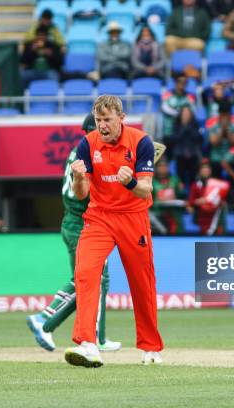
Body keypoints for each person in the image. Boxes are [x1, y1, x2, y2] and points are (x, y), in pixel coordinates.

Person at [64, 95, 163, 367]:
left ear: (121, 118)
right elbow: (80, 193)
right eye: (98, 120)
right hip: (99, 216)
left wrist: (130, 181)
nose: (102, 126)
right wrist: (79, 176)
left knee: (142, 283)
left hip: (133, 217)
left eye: (107, 120)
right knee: (85, 273)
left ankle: (151, 347)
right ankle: (87, 343)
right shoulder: (87, 144)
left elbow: (146, 191)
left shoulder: (140, 141)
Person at [26, 113, 121, 354]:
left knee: (97, 281)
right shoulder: (91, 153)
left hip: (76, 222)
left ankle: (98, 336)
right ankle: (44, 319)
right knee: (88, 280)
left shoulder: (80, 151)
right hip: (83, 223)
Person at [188, 159, 230, 235]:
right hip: (202, 216)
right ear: (199, 171)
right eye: (203, 169)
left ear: (210, 171)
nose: (205, 171)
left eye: (207, 169)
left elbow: (223, 200)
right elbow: (191, 201)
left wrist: (219, 202)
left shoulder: (218, 184)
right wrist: (200, 201)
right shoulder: (195, 185)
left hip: (216, 215)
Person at [206, 102, 234, 177]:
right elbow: (214, 142)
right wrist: (221, 131)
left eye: (226, 115)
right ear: (219, 114)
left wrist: (227, 130)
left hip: (232, 157)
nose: (224, 118)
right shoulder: (211, 122)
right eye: (222, 115)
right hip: (216, 157)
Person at [171, 105, 203, 186]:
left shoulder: (195, 124)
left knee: (193, 179)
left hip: (193, 155)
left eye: (188, 113)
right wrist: (184, 127)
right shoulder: (176, 124)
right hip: (180, 155)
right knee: (180, 179)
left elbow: (198, 137)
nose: (186, 115)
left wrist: (188, 127)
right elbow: (174, 139)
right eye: (184, 113)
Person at [151, 159, 186, 234]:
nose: (163, 168)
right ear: (156, 168)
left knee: (178, 217)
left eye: (165, 166)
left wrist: (181, 189)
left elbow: (181, 195)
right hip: (158, 211)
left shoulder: (175, 180)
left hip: (173, 210)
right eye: (160, 166)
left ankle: (179, 237)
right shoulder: (152, 181)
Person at [161, 75, 196, 149]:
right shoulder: (167, 95)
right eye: (180, 82)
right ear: (175, 83)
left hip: (184, 131)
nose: (182, 84)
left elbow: (193, 110)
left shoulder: (190, 96)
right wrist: (180, 113)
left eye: (184, 82)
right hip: (169, 130)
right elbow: (164, 108)